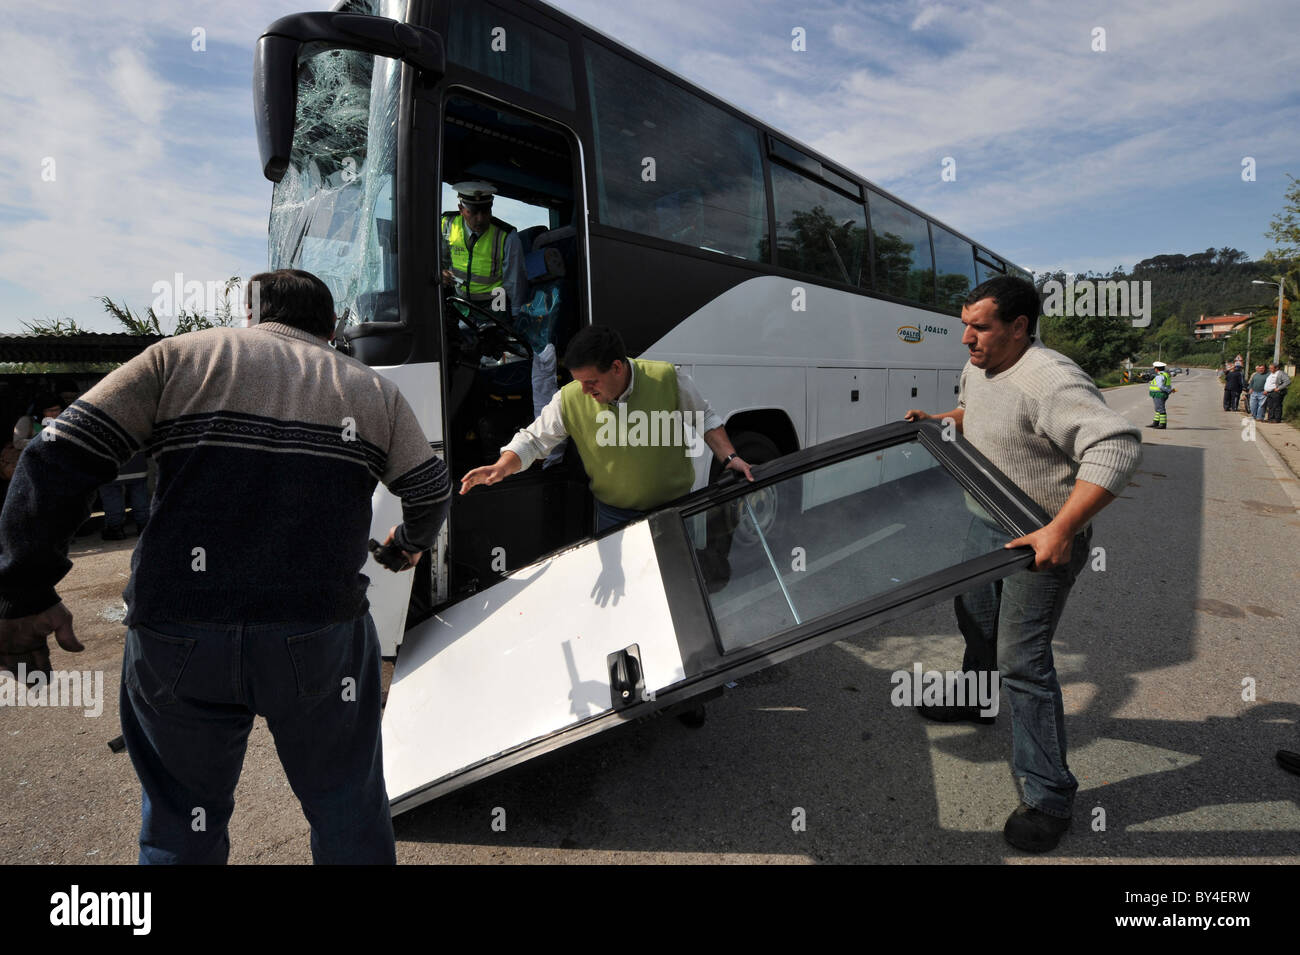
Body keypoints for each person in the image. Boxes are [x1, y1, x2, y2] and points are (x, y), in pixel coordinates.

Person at [0, 269, 451, 864]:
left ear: (250, 313)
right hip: (318, 636)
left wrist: (25, 592)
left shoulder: (177, 360)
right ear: (333, 325)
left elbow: (55, 455)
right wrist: (407, 543)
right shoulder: (372, 392)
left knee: (179, 827)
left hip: (177, 635)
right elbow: (431, 489)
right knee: (347, 806)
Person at [904, 276, 1141, 853]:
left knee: (1023, 661)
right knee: (975, 621)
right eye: (965, 324)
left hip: (1039, 541)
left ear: (1018, 326)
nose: (966, 338)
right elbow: (976, 410)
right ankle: (977, 702)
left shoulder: (1049, 377)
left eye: (979, 326)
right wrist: (943, 419)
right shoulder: (982, 367)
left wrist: (1061, 528)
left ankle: (1049, 795)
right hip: (984, 523)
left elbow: (1117, 445)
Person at [460, 325, 754, 531]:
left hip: (676, 510)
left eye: (592, 382)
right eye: (579, 382)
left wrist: (729, 458)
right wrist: (502, 466)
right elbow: (534, 440)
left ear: (617, 367)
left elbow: (706, 418)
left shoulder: (667, 379)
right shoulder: (570, 398)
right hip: (614, 516)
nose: (585, 390)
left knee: (679, 586)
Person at [1147, 361, 1173, 429]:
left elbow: (1160, 386)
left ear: (1156, 369)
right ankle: (1155, 423)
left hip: (1159, 394)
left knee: (1161, 409)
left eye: (1154, 368)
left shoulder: (1159, 376)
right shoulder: (1165, 374)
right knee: (1158, 409)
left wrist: (1169, 390)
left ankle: (1162, 424)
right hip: (1161, 394)